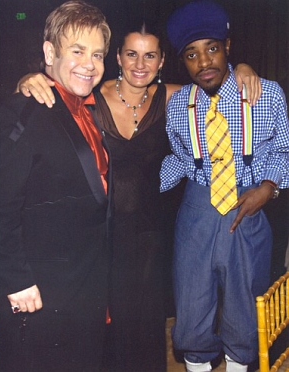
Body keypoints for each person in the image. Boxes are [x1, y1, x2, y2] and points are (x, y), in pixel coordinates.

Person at [16, 21, 261, 372]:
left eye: (150, 56)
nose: (140, 64)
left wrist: (243, 68)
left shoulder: (176, 96)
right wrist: (28, 80)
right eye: (131, 54)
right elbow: (43, 100)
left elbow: (214, 77)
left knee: (145, 324)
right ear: (117, 57)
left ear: (162, 61)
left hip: (150, 233)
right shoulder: (90, 96)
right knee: (100, 326)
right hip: (99, 233)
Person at [160, 1, 289, 372]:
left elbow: (284, 149)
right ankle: (197, 363)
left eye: (211, 48)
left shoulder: (267, 94)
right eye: (191, 54)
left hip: (248, 206)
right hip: (196, 210)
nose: (204, 62)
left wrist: (269, 188)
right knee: (190, 301)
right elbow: (175, 153)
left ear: (228, 47)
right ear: (181, 61)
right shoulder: (179, 103)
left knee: (244, 304)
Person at [0, 1, 112, 371]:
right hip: (38, 294)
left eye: (98, 54)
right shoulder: (21, 110)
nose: (89, 63)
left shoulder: (89, 109)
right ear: (49, 52)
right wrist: (16, 280)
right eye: (77, 51)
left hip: (82, 286)